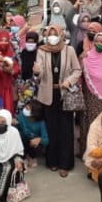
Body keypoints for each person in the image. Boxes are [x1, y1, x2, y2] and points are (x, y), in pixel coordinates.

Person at [33, 25, 82, 178]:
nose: (52, 37)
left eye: (55, 34)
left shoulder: (69, 50)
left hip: (64, 93)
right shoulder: (42, 50)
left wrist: (69, 81)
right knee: (51, 128)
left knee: (65, 129)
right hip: (48, 94)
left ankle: (65, 164)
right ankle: (52, 161)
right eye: (49, 34)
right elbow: (38, 73)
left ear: (61, 35)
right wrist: (36, 72)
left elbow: (77, 70)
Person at [16, 100, 48, 168]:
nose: (25, 109)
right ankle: (23, 158)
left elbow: (46, 140)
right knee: (20, 135)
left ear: (34, 112)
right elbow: (17, 127)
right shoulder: (21, 116)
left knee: (32, 142)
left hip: (34, 145)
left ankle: (32, 157)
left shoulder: (41, 122)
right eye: (26, 107)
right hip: (24, 141)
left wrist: (39, 139)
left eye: (28, 108)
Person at [15, 32, 40, 111]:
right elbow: (17, 68)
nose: (30, 44)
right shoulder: (21, 53)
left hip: (34, 86)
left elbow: (40, 72)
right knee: (22, 109)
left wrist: (29, 83)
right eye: (28, 42)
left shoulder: (39, 55)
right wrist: (20, 84)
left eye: (32, 42)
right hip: (21, 86)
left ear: (36, 42)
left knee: (33, 110)